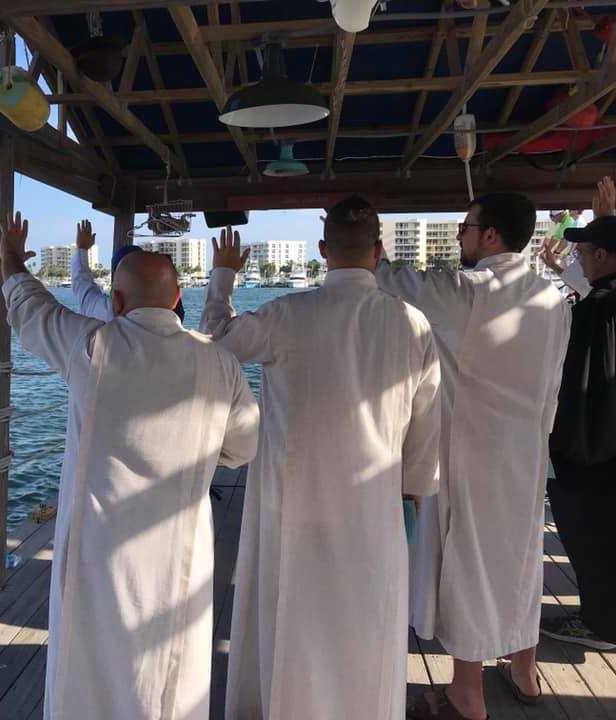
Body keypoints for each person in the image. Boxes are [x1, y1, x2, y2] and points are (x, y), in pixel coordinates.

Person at [0, 210, 260, 720]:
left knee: (87, 669)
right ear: (177, 298)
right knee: (171, 676)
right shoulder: (220, 362)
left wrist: (10, 255)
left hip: (97, 552)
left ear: (115, 304)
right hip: (180, 551)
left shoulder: (92, 347)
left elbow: (30, 306)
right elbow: (244, 447)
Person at [200, 195, 442, 720]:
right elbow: (427, 426)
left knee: (295, 612)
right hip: (375, 503)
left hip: (294, 503)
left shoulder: (287, 315)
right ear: (378, 250)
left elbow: (214, 342)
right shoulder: (413, 323)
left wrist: (222, 277)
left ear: (323, 249)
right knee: (366, 619)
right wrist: (412, 490)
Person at [375, 193, 571, 720]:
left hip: (472, 453)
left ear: (490, 235)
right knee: (521, 558)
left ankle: (467, 691)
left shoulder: (470, 292)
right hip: (527, 452)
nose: (461, 235)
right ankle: (525, 670)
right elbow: (554, 383)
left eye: (466, 227)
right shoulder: (552, 299)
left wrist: (369, 243)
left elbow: (392, 281)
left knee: (471, 564)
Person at [540, 208, 616, 652]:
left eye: (582, 253)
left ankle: (601, 624)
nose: (579, 260)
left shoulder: (595, 312)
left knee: (593, 539)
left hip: (591, 454)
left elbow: (575, 387)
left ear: (602, 256)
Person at [72, 219, 185, 322]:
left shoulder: (103, 312)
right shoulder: (173, 318)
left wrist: (82, 248)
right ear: (176, 297)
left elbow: (82, 285)